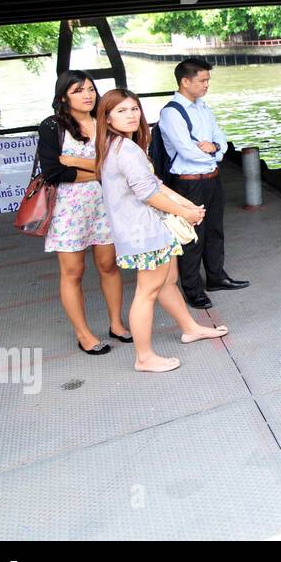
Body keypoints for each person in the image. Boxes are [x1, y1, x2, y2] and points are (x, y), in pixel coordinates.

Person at [95, 89, 229, 373]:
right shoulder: (125, 150)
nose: (131, 115)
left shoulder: (119, 146)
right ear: (106, 118)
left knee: (168, 280)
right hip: (144, 232)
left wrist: (184, 203)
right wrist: (186, 212)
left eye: (134, 109)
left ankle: (190, 327)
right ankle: (144, 357)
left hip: (149, 228)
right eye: (121, 111)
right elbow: (147, 193)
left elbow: (153, 182)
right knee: (147, 291)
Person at [37, 71, 128, 355]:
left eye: (90, 89)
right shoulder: (52, 126)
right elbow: (53, 171)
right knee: (73, 272)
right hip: (69, 210)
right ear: (64, 96)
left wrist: (79, 163)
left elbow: (120, 165)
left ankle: (116, 324)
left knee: (109, 266)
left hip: (106, 206)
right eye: (78, 90)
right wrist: (99, 171)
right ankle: (84, 334)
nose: (87, 95)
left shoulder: (105, 122)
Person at [159, 58, 249, 307]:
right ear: (185, 81)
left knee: (214, 230)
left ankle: (216, 277)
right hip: (188, 183)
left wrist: (216, 148)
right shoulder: (171, 112)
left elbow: (220, 136)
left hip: (211, 178)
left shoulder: (203, 107)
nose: (207, 84)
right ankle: (193, 289)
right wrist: (212, 152)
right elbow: (186, 150)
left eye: (208, 80)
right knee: (192, 237)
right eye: (203, 80)